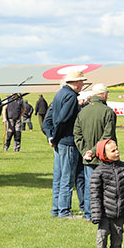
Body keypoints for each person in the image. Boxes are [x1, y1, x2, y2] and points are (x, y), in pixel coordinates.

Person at [74, 83, 116, 222]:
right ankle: (104, 213)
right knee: (106, 186)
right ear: (104, 94)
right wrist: (93, 152)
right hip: (104, 156)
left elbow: (77, 134)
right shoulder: (108, 112)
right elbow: (107, 135)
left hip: (88, 158)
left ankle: (89, 214)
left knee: (89, 186)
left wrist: (85, 152)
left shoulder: (82, 112)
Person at [47, 70, 86, 219]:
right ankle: (64, 211)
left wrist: (52, 137)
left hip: (59, 142)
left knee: (58, 177)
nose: (82, 84)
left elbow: (51, 118)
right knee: (67, 179)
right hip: (67, 141)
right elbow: (63, 120)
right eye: (81, 81)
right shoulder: (71, 96)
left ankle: (56, 209)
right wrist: (56, 137)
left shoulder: (60, 94)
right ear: (76, 82)